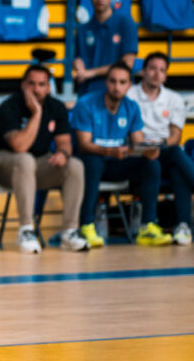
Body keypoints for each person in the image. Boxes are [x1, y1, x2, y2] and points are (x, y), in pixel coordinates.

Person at [0, 64, 88, 253]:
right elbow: (19, 147)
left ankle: (70, 230)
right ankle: (26, 229)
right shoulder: (9, 106)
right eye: (31, 84)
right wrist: (37, 114)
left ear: (49, 87)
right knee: (25, 159)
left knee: (74, 165)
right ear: (23, 85)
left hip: (36, 164)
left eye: (42, 84)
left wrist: (62, 154)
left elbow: (65, 142)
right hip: (3, 163)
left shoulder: (56, 106)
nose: (36, 89)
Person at [72, 61, 172, 248]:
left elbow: (137, 142)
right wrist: (110, 151)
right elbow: (84, 145)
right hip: (92, 161)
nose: (116, 87)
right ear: (106, 83)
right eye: (112, 81)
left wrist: (146, 150)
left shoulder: (132, 107)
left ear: (129, 85)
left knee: (151, 164)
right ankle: (86, 226)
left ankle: (147, 226)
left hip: (117, 162)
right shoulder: (86, 103)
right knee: (93, 163)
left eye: (122, 82)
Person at [126, 51, 194, 245]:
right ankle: (177, 225)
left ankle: (182, 227)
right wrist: (146, 148)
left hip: (165, 151)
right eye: (153, 69)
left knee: (176, 165)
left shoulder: (174, 99)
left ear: (165, 75)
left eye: (162, 70)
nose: (157, 74)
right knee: (175, 159)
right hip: (137, 153)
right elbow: (131, 134)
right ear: (143, 71)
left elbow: (175, 136)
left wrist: (158, 146)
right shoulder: (129, 95)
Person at [73, 0, 138, 97]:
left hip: (117, 93)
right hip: (88, 92)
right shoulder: (83, 29)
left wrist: (90, 73)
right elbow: (77, 58)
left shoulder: (126, 23)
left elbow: (128, 63)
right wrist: (78, 65)